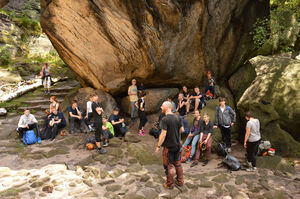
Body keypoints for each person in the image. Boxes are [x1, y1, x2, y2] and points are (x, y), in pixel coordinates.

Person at [155, 101, 184, 189]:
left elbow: (163, 134)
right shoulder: (177, 117)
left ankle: (169, 184)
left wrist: (158, 146)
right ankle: (180, 182)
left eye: (162, 106)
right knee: (178, 164)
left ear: (167, 107)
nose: (161, 107)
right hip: (177, 145)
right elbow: (182, 130)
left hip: (168, 147)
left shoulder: (165, 119)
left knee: (168, 165)